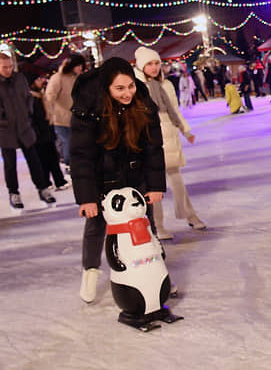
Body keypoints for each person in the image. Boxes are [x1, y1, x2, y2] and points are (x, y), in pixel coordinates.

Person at [70, 57, 167, 303]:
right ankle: (90, 272)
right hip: (102, 177)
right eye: (120, 89)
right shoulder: (88, 106)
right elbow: (81, 155)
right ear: (107, 88)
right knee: (96, 226)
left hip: (135, 172)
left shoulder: (142, 101)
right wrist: (87, 198)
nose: (127, 93)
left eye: (130, 86)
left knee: (146, 222)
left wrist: (155, 185)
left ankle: (158, 271)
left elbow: (154, 146)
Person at [134, 47, 206, 240]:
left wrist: (185, 130)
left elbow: (174, 109)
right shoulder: (136, 86)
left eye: (157, 63)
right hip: (149, 138)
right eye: (149, 64)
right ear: (141, 66)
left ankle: (190, 215)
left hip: (170, 136)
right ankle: (157, 225)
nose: (154, 67)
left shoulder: (165, 84)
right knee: (154, 187)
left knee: (178, 182)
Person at [0, 52, 56, 210]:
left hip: (24, 127)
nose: (8, 70)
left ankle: (43, 188)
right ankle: (14, 193)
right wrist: (3, 120)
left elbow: (28, 97)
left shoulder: (19, 78)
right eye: (4, 67)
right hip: (5, 130)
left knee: (34, 160)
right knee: (10, 164)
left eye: (10, 66)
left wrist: (28, 113)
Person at [28, 71, 69, 191]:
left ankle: (58, 181)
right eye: (38, 79)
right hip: (38, 134)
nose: (42, 81)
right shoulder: (31, 97)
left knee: (52, 157)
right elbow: (33, 117)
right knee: (43, 159)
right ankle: (47, 182)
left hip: (47, 131)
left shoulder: (41, 94)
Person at [44, 53, 85, 169]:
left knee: (77, 142)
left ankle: (77, 164)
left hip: (76, 117)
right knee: (68, 142)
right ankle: (69, 164)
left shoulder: (76, 78)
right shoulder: (58, 78)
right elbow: (49, 96)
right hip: (61, 119)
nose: (80, 68)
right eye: (78, 65)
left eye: (81, 66)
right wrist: (50, 113)